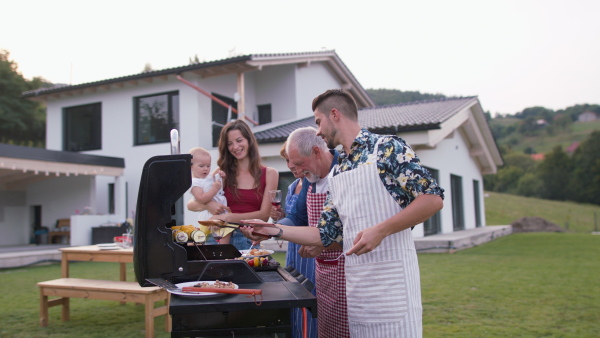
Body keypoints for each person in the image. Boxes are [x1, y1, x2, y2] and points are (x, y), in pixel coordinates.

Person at [241, 89, 445, 338]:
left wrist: (381, 230)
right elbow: (324, 234)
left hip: (392, 290)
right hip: (357, 293)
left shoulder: (386, 148)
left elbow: (432, 199)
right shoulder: (339, 171)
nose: (317, 131)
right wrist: (272, 230)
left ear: (334, 115)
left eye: (318, 121)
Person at [187, 119, 279, 250]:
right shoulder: (221, 172)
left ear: (249, 140)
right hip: (218, 236)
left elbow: (264, 215)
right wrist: (209, 204)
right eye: (230, 143)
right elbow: (191, 204)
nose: (235, 147)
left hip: (248, 239)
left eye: (239, 140)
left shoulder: (270, 174)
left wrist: (228, 217)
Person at [270, 140, 320, 338]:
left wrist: (275, 228)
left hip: (309, 249)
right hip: (293, 250)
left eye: (294, 161)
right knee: (293, 292)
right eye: (287, 160)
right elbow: (293, 218)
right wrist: (278, 217)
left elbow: (306, 220)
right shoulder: (291, 186)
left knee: (309, 295)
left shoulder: (313, 181)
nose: (291, 166)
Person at [189, 147, 230, 239]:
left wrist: (221, 177)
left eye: (208, 166)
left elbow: (218, 185)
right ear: (191, 166)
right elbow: (201, 199)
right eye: (201, 166)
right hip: (209, 216)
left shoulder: (208, 176)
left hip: (220, 213)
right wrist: (214, 188)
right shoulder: (195, 182)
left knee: (224, 235)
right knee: (214, 238)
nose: (206, 169)